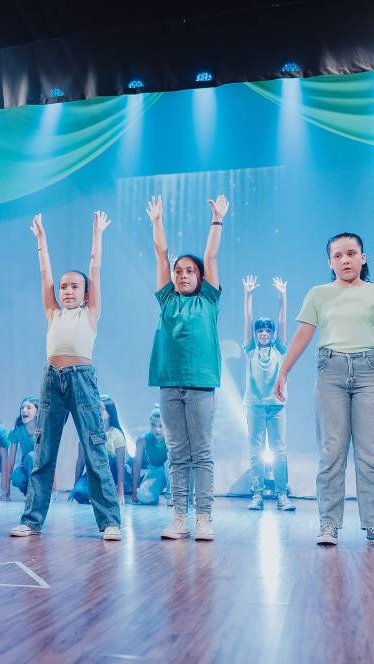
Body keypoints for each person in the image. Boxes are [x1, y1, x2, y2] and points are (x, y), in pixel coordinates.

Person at [275, 233, 374, 548]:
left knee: (371, 453)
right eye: (338, 255)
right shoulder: (318, 294)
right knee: (332, 451)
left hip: (371, 371)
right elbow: (303, 334)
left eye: (351, 253)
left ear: (363, 257)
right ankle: (329, 524)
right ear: (330, 262)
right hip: (330, 371)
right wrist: (283, 371)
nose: (345, 260)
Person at [10, 211, 122, 541]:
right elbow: (45, 273)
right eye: (63, 287)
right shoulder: (53, 313)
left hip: (81, 379)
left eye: (74, 286)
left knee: (94, 450)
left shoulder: (90, 313)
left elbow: (95, 268)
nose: (67, 291)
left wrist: (97, 234)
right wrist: (41, 240)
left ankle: (110, 522)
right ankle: (31, 520)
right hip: (52, 380)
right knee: (43, 452)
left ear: (86, 293)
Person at [147, 193, 229, 541]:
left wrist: (217, 220)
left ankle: (204, 517)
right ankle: (179, 517)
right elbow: (161, 254)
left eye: (189, 271)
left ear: (200, 276)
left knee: (201, 453)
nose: (182, 275)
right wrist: (156, 222)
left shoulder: (208, 299)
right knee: (177, 453)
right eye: (178, 271)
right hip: (169, 384)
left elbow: (211, 256)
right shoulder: (167, 299)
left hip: (200, 385)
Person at [242, 274, 294, 512]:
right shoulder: (251, 349)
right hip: (254, 405)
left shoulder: (279, 349)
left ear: (272, 334)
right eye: (260, 330)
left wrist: (283, 297)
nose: (263, 333)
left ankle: (282, 495)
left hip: (276, 406)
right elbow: (248, 320)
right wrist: (248, 296)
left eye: (267, 330)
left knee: (279, 450)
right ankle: (257, 494)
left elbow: (283, 322)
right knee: (255, 450)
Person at [71, 394, 130, 504]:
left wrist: (121, 493)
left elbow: (120, 464)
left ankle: (106, 491)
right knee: (79, 493)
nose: (98, 411)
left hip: (110, 474)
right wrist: (75, 487)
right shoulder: (86, 433)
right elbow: (81, 461)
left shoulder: (117, 434)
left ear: (110, 413)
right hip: (92, 473)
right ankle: (95, 492)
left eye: (101, 409)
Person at [132, 407, 170, 505]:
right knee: (143, 496)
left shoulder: (172, 438)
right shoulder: (142, 440)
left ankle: (172, 495)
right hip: (154, 470)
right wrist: (135, 491)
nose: (157, 430)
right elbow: (137, 465)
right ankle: (154, 494)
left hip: (171, 471)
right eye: (153, 425)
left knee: (170, 462)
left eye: (161, 426)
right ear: (150, 423)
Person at [6, 397, 39, 498]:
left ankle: (39, 493)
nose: (24, 410)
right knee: (16, 476)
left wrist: (54, 492)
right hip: (26, 466)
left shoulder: (44, 430)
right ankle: (30, 494)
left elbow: (52, 459)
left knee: (31, 456)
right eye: (22, 408)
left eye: (28, 408)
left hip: (42, 467)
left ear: (37, 412)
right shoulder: (18, 430)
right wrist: (6, 491)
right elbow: (11, 461)